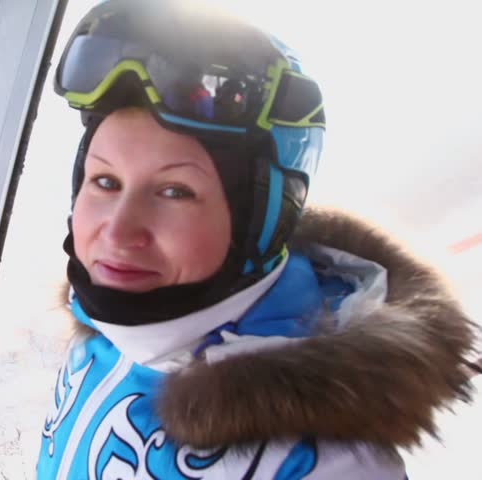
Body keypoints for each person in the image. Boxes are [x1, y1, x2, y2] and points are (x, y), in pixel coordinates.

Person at [38, 1, 478, 478]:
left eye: (174, 191)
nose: (119, 233)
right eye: (105, 182)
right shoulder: (103, 327)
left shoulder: (324, 465)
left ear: (261, 219)